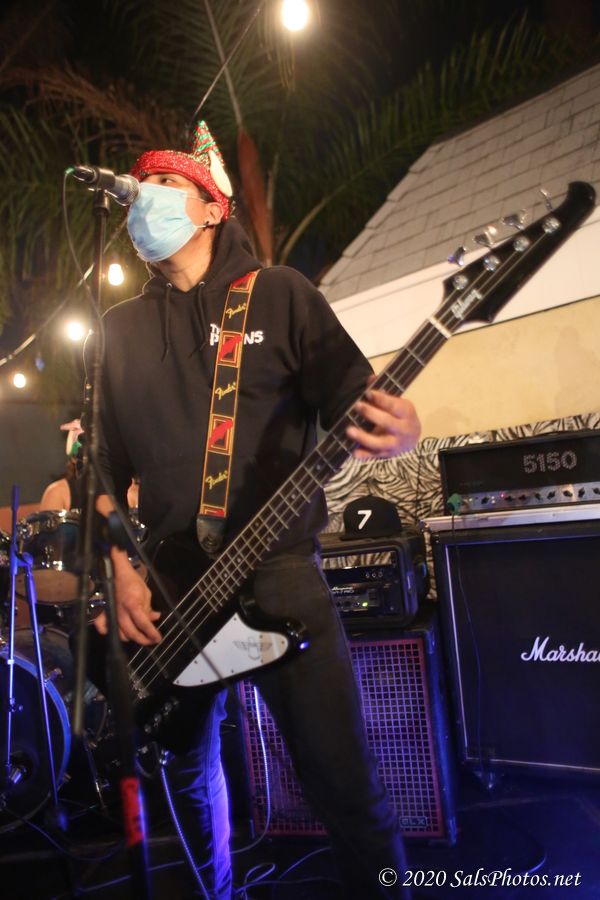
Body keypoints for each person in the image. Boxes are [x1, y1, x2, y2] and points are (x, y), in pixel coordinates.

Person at [88, 121, 421, 899]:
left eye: (164, 183)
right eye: (137, 186)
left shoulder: (279, 294)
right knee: (189, 777)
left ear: (212, 208)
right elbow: (99, 470)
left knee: (345, 783)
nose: (143, 196)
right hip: (170, 587)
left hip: (279, 572)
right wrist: (119, 565)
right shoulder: (115, 331)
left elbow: (358, 403)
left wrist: (401, 428)